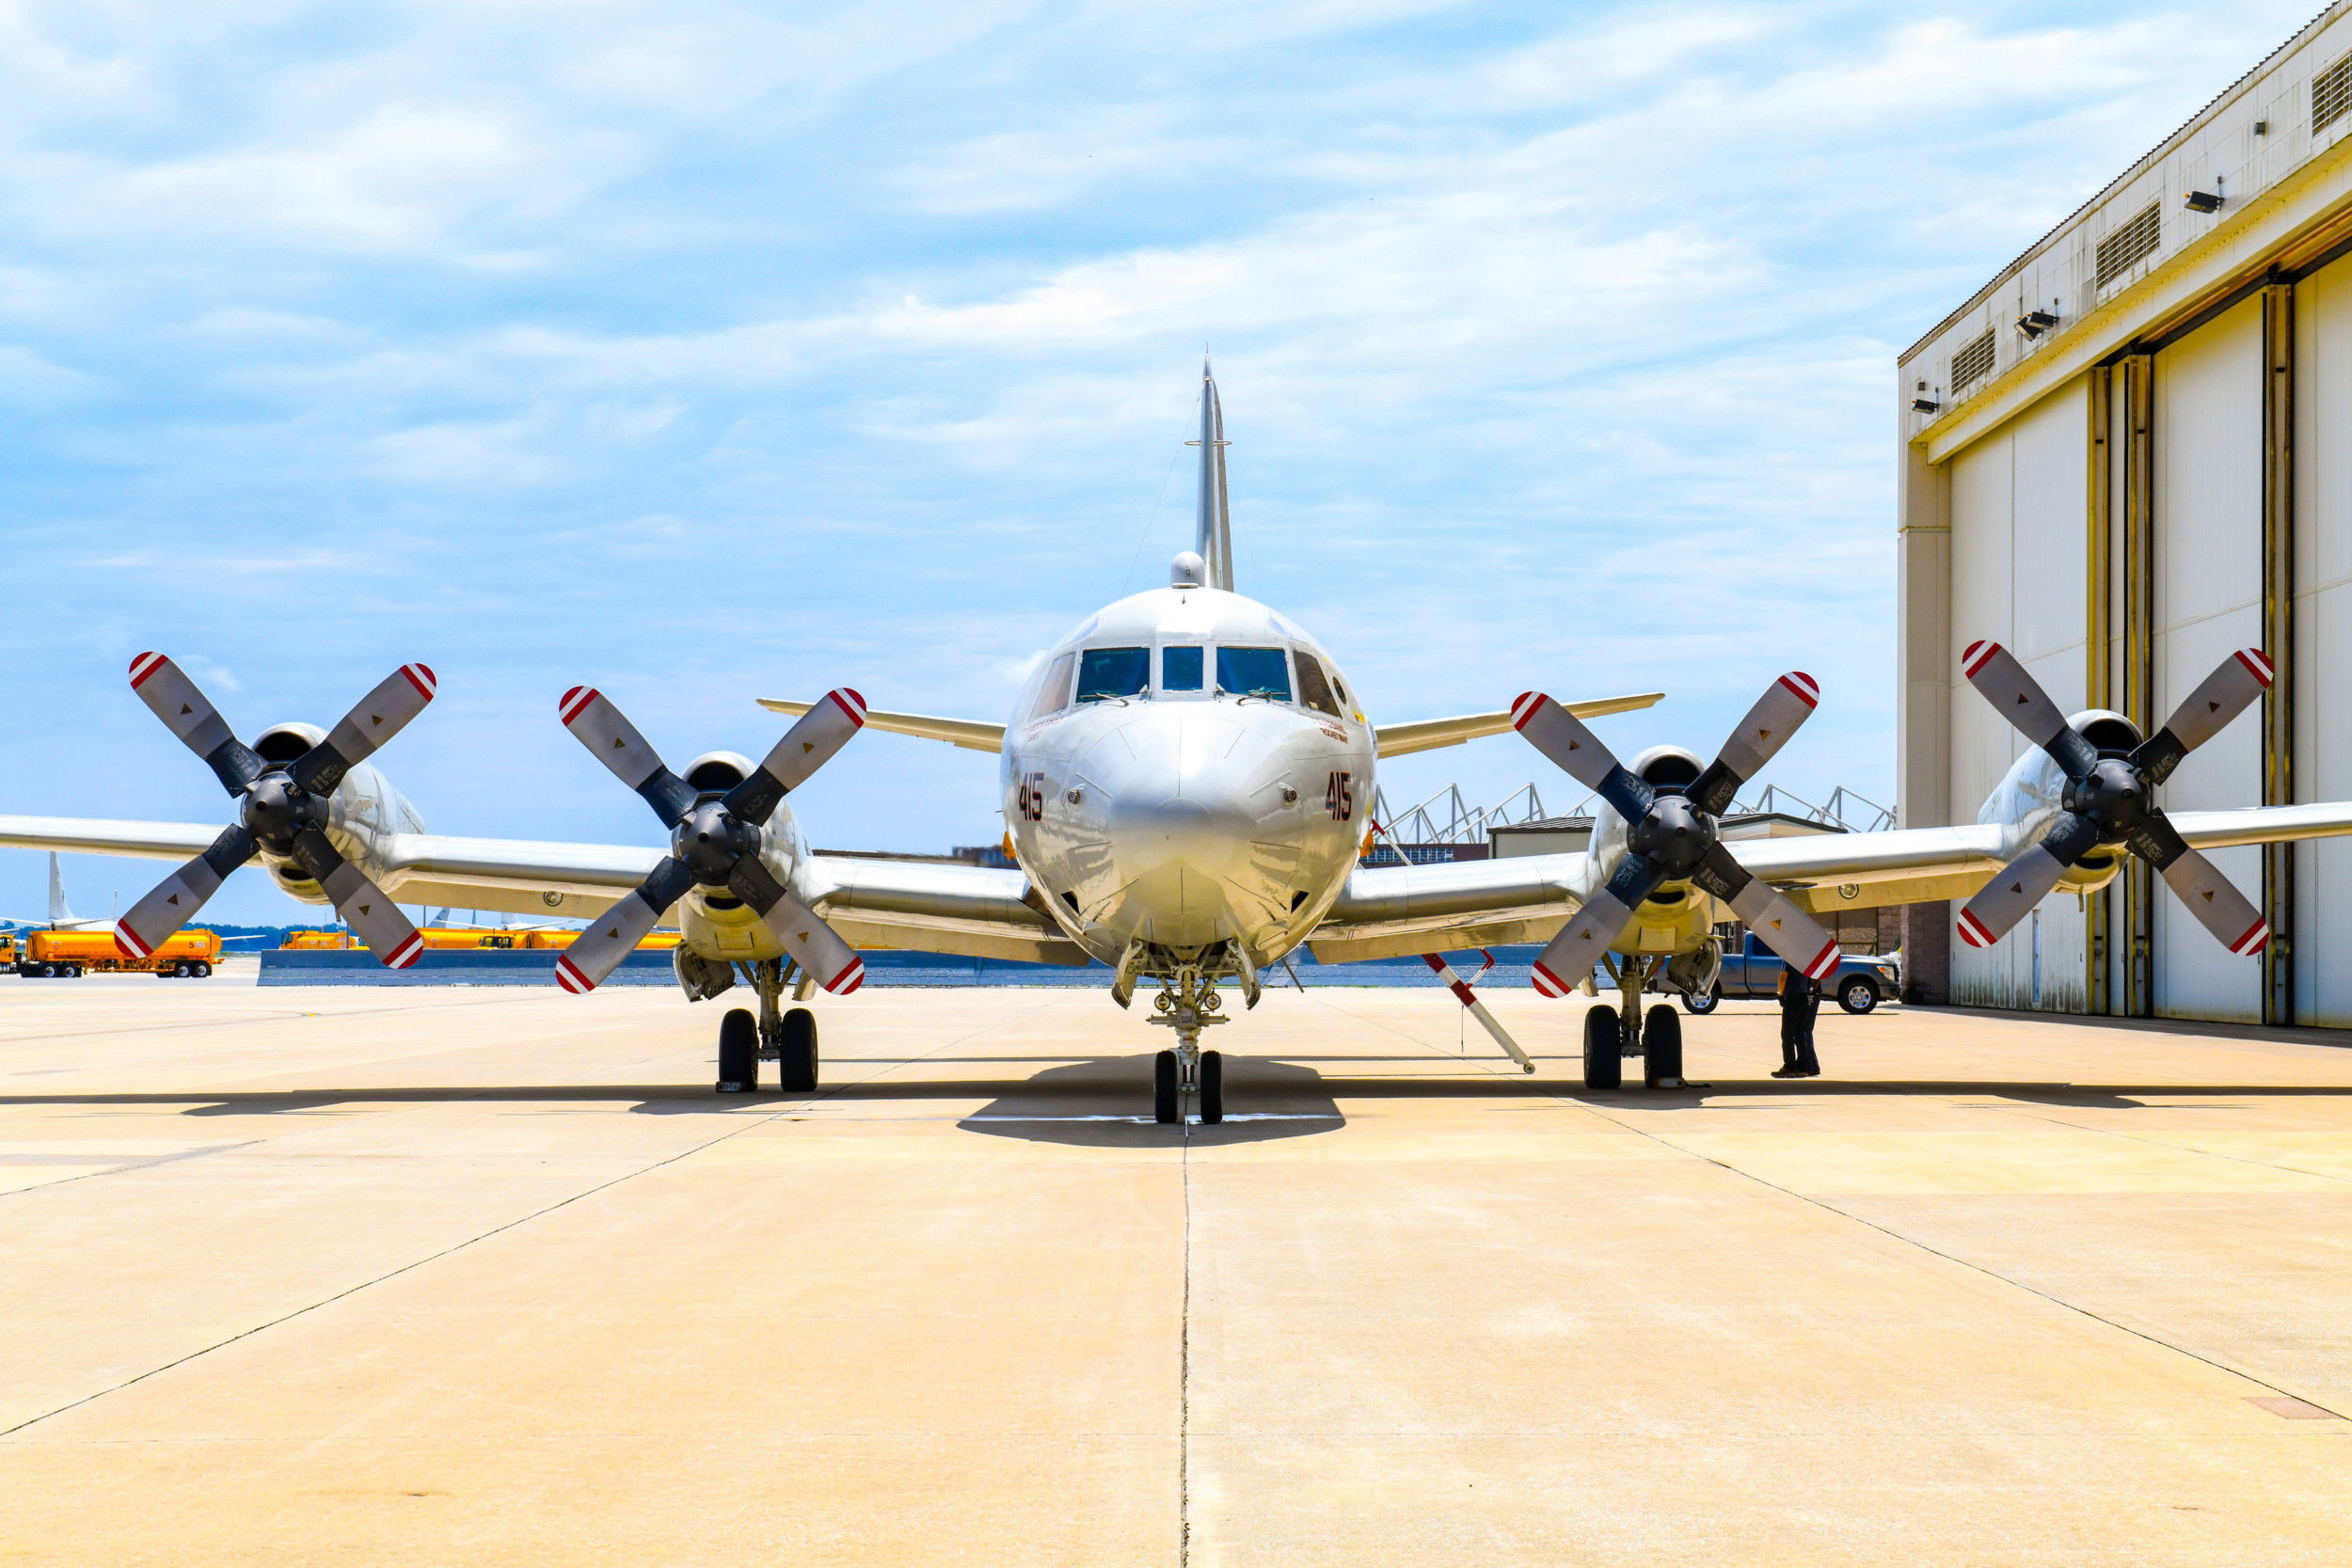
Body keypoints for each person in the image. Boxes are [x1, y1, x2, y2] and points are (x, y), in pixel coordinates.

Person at [1773, 964, 1820, 1079]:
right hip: (1803, 996)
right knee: (1800, 1033)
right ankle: (1802, 1066)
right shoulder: (1804, 960)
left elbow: (1783, 976)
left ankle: (1789, 1066)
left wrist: (1780, 993)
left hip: (1792, 997)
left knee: (1787, 1034)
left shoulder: (1788, 959)